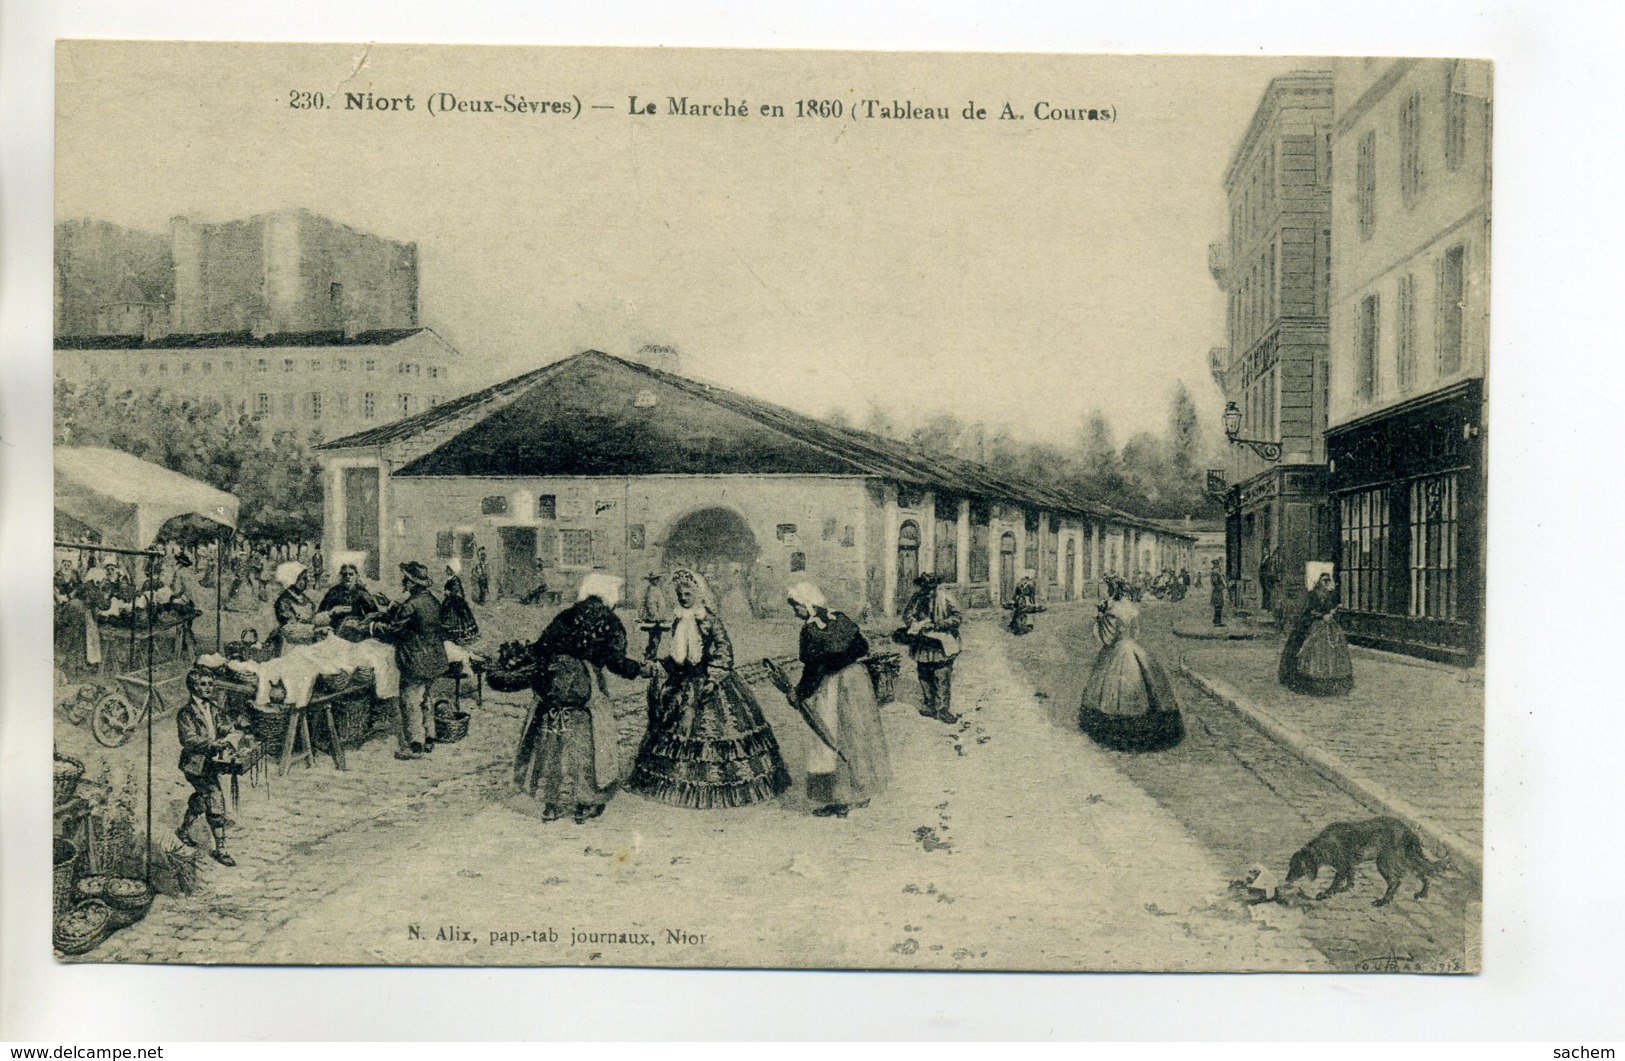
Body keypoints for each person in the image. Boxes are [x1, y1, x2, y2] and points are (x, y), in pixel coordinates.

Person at [627, 569, 792, 808]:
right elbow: (678, 657)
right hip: (684, 682)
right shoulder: (678, 619)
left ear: (698, 593)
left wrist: (713, 679)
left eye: (687, 593)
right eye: (679, 594)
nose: (683, 598)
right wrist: (658, 666)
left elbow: (724, 652)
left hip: (712, 683)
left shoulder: (711, 619)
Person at [514, 573, 657, 823]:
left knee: (552, 744)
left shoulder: (565, 616)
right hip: (586, 690)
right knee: (588, 746)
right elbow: (616, 662)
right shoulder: (610, 621)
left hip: (554, 690)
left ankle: (551, 804)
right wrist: (640, 669)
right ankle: (586, 803)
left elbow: (540, 648)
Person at [786, 582, 891, 818]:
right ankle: (861, 791)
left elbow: (814, 668)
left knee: (832, 735)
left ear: (807, 603)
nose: (795, 612)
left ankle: (840, 798)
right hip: (857, 680)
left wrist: (800, 692)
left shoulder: (811, 629)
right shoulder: (840, 617)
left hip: (835, 684)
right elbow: (862, 647)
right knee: (857, 734)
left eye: (796, 607)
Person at [1078, 587, 1184, 752]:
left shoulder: (1112, 611)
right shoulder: (1131, 610)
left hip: (1117, 649)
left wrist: (1100, 620)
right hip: (1132, 647)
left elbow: (1108, 638)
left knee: (1108, 688)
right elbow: (1135, 632)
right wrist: (1129, 642)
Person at [371, 561, 448, 760]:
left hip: (416, 659)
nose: (403, 581)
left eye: (406, 579)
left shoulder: (410, 605)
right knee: (425, 698)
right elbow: (419, 621)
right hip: (434, 658)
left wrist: (374, 627)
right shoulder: (432, 600)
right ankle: (430, 737)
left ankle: (415, 745)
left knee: (410, 701)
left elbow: (395, 631)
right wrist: (391, 605)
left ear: (412, 583)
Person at [175, 668, 241, 867]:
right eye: (203, 684)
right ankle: (221, 849)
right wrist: (212, 744)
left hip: (210, 763)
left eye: (210, 684)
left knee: (202, 800)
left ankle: (183, 831)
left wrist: (229, 729)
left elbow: (218, 726)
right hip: (195, 765)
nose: (208, 688)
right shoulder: (186, 713)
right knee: (215, 798)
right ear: (193, 686)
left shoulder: (212, 707)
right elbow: (188, 739)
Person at [895, 573, 962, 724]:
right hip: (922, 643)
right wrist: (914, 623)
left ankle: (942, 709)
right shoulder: (917, 598)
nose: (928, 592)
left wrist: (937, 625)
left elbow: (957, 618)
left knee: (941, 675)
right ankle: (930, 705)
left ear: (936, 587)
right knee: (924, 673)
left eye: (931, 589)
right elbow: (907, 614)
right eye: (925, 588)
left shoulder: (946, 598)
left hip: (942, 643)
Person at [1278, 572, 1354, 696]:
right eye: (1324, 581)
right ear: (1319, 582)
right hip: (1314, 625)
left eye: (1328, 581)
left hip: (1328, 625)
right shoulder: (1312, 595)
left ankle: (1332, 681)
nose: (1326, 583)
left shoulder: (1329, 595)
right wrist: (1322, 616)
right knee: (1311, 648)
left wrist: (1332, 612)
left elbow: (1330, 608)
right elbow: (1310, 611)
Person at [271, 561, 334, 655]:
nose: (307, 581)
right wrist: (314, 631)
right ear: (292, 579)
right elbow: (289, 630)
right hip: (293, 647)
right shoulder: (284, 601)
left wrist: (330, 614)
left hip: (309, 644)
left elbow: (312, 618)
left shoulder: (304, 598)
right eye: (303, 579)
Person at [319, 563, 385, 641]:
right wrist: (333, 611)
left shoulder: (361, 591)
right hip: (336, 626)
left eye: (351, 574)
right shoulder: (333, 591)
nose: (348, 577)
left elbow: (373, 612)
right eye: (345, 574)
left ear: (356, 576)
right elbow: (321, 613)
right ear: (341, 576)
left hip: (357, 626)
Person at [441, 565, 480, 645]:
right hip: (450, 599)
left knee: (458, 616)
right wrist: (446, 591)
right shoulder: (450, 579)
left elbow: (456, 589)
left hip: (455, 600)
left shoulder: (455, 579)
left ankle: (460, 635)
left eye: (448, 569)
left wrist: (449, 592)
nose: (446, 571)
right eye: (447, 569)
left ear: (452, 570)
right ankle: (450, 635)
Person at [637, 572, 672, 661]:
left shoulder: (653, 589)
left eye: (658, 579)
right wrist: (656, 617)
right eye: (656, 579)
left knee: (654, 638)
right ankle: (651, 657)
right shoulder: (653, 590)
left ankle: (649, 655)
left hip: (655, 619)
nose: (658, 581)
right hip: (654, 620)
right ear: (653, 581)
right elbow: (651, 605)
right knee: (655, 639)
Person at [1008, 571, 1038, 635]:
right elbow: (1018, 593)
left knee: (1021, 613)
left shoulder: (1026, 583)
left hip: (1023, 600)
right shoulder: (1024, 583)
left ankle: (1018, 626)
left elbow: (1031, 593)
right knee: (1020, 613)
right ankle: (1019, 627)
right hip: (1023, 600)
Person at [1209, 559, 1226, 627]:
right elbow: (1215, 583)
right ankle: (1217, 622)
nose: (1219, 569)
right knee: (1218, 606)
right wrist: (1222, 586)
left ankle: (1216, 620)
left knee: (1219, 606)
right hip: (1217, 592)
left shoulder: (1216, 573)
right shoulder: (1215, 574)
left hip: (1218, 591)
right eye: (1217, 567)